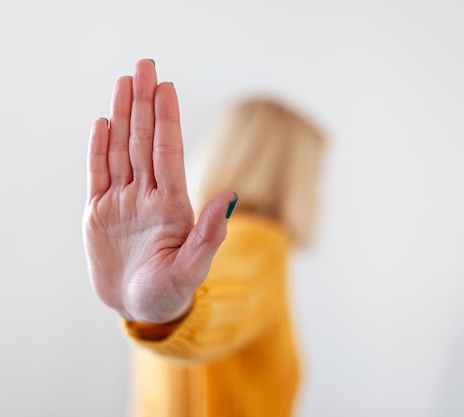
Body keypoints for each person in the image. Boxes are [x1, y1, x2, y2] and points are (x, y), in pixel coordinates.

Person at [82, 59, 325, 417]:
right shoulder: (260, 242)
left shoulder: (176, 254)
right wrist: (171, 314)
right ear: (292, 174)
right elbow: (224, 300)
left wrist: (163, 315)